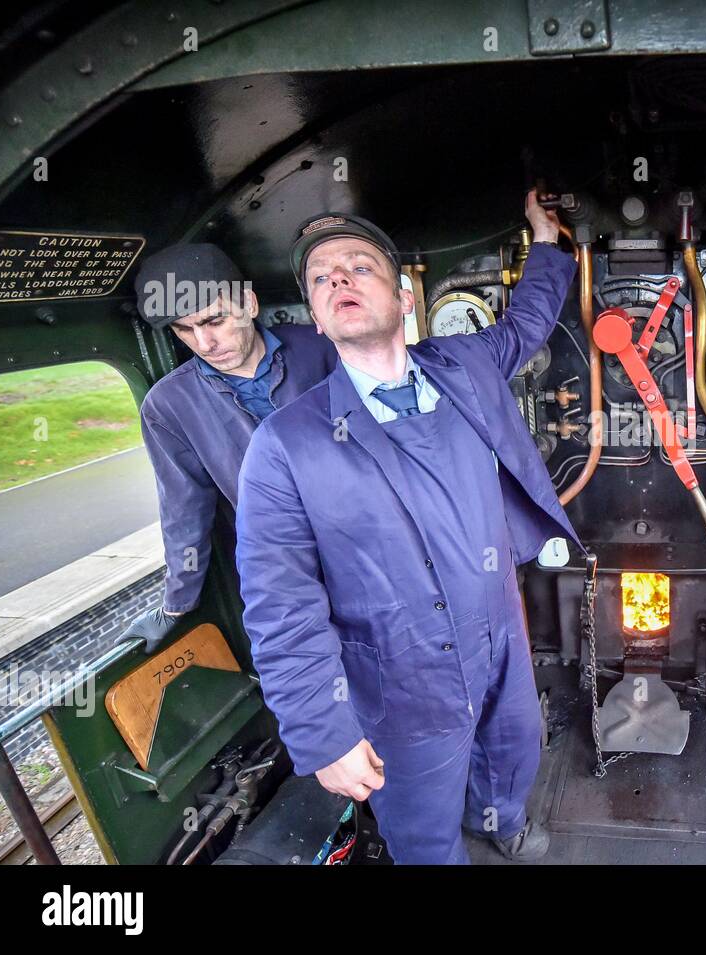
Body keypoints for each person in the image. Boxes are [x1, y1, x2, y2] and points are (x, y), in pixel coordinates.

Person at [234, 191, 579, 863]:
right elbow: (281, 604)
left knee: (511, 748)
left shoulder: (466, 366)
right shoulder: (285, 447)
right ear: (317, 316)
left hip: (501, 636)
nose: (339, 280)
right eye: (322, 278)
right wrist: (322, 732)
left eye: (358, 266)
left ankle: (502, 819)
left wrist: (545, 238)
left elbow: (530, 320)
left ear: (404, 298)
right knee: (422, 828)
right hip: (400, 678)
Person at [122, 244, 337, 652]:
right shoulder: (168, 406)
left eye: (214, 320)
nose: (204, 342)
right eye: (184, 330)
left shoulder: (324, 349)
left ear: (250, 303)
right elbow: (184, 506)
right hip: (285, 571)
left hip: (369, 539)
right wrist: (177, 603)